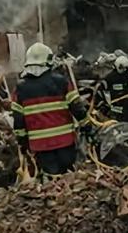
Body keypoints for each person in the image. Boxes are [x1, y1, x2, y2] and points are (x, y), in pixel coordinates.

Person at [11, 43, 88, 175]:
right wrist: (87, 127)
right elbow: (77, 108)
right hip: (65, 142)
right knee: (69, 178)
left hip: (40, 147)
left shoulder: (20, 89)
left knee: (51, 182)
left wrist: (23, 142)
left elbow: (18, 121)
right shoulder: (61, 82)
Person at [102, 55, 128, 122]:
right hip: (117, 109)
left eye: (125, 68)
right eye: (121, 68)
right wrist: (107, 104)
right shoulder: (110, 78)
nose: (123, 70)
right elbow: (104, 92)